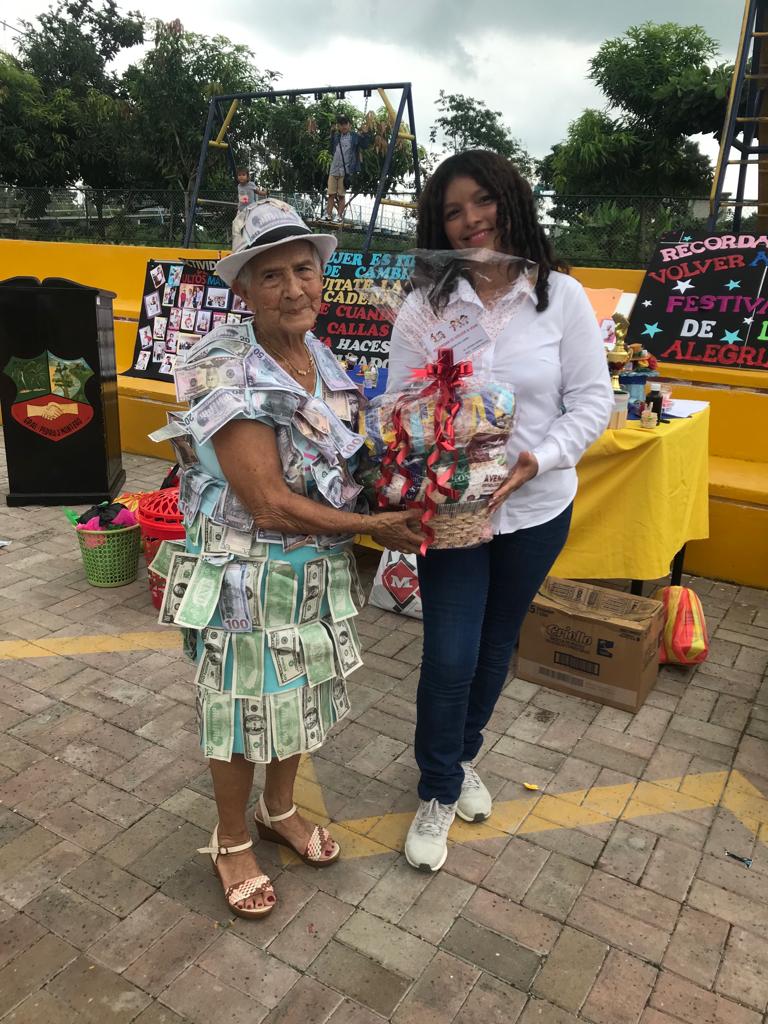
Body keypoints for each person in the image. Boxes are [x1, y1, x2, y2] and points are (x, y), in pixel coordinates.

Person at [151, 199, 423, 918]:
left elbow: (344, 460)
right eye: (271, 276)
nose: (293, 288)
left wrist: (420, 476)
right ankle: (232, 839)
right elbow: (268, 502)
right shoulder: (220, 364)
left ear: (321, 276)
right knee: (241, 709)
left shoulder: (320, 357)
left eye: (304, 269)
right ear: (243, 288)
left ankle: (278, 810)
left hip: (311, 573)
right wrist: (373, 526)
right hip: (243, 576)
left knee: (298, 695)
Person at [386, 150, 614, 872]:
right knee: (449, 654)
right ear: (438, 224)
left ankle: (459, 759)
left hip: (536, 507)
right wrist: (426, 434)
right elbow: (397, 405)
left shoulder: (560, 297)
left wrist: (536, 459)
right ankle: (437, 789)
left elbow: (593, 402)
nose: (470, 220)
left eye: (482, 201)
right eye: (452, 211)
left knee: (494, 648)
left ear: (510, 200)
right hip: (453, 515)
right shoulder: (424, 306)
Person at [326, 115, 370, 223]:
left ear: (350, 125)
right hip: (334, 169)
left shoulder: (355, 136)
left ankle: (339, 216)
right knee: (331, 194)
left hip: (346, 170)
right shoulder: (336, 136)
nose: (343, 126)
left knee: (341, 195)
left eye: (345, 124)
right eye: (341, 124)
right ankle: (328, 215)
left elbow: (365, 145)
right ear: (338, 126)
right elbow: (331, 149)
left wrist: (365, 134)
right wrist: (332, 134)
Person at [233, 168, 268, 247]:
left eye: (243, 175)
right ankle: (240, 242)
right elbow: (241, 197)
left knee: (250, 225)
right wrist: (238, 206)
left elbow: (258, 192)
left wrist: (265, 193)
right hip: (241, 210)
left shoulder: (251, 184)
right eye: (239, 175)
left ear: (248, 177)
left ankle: (255, 240)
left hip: (250, 209)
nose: (241, 177)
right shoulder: (239, 186)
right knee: (237, 225)